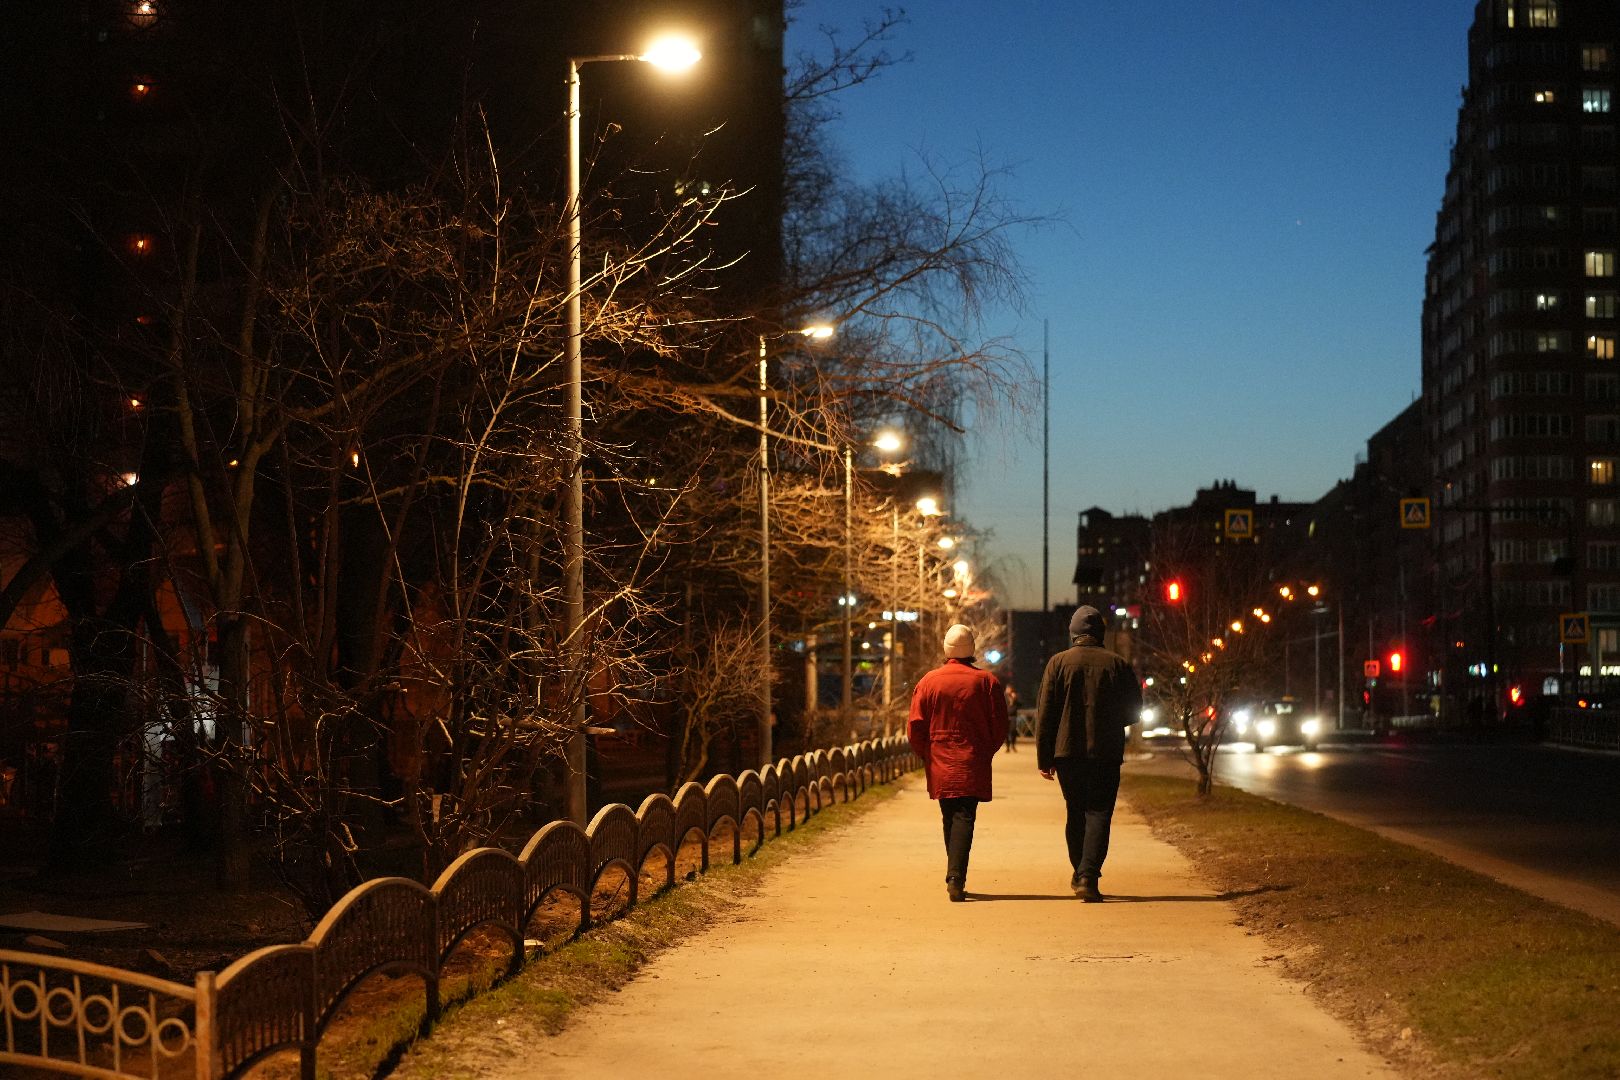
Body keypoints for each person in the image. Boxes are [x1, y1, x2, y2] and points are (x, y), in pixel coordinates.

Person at [1035, 605, 1141, 902]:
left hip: (1067, 752)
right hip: (1106, 752)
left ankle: (1080, 870)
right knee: (1099, 813)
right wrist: (1111, 721)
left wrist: (1045, 758)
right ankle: (1088, 875)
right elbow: (1134, 710)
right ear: (1100, 633)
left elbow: (1046, 714)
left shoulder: (1058, 663)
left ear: (1073, 633)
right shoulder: (1117, 664)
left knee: (1075, 810)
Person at [908, 623, 1009, 902]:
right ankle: (956, 876)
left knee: (949, 814)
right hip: (971, 759)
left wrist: (927, 754)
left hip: (940, 758)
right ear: (971, 649)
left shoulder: (928, 681)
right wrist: (985, 751)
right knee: (965, 815)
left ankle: (954, 873)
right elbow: (999, 725)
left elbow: (916, 726)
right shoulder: (986, 682)